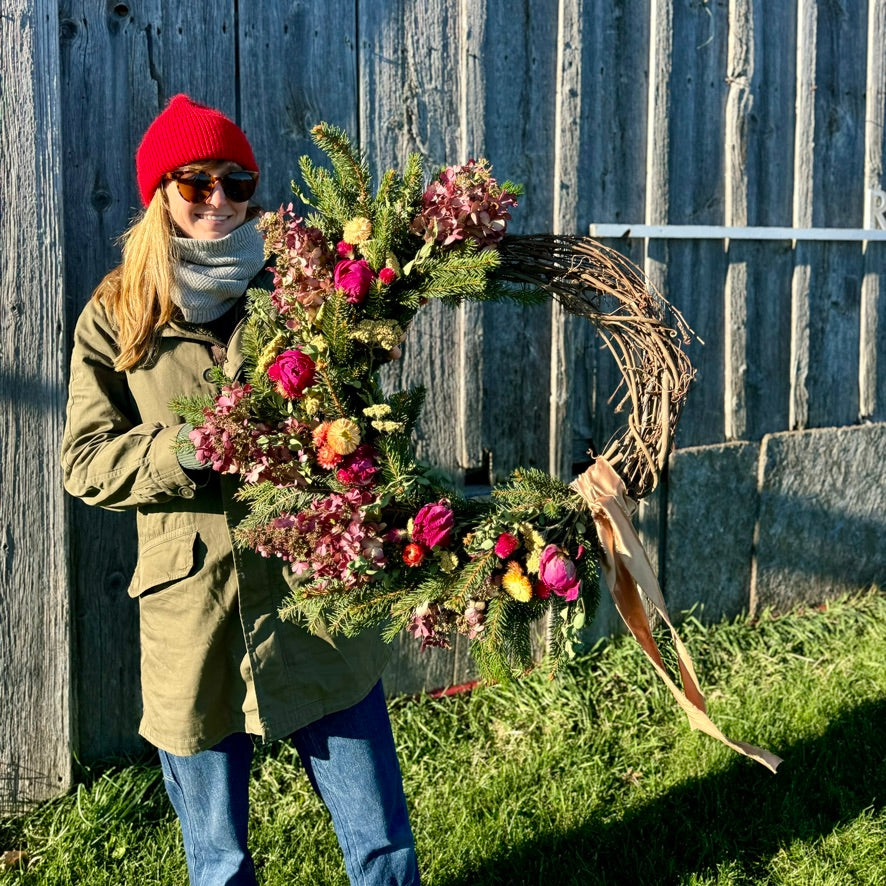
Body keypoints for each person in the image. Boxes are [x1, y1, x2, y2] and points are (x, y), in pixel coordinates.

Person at [61, 94, 420, 886]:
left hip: (312, 595)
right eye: (195, 184)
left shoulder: (302, 292)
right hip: (195, 611)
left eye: (237, 182)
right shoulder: (118, 314)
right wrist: (181, 449)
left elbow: (361, 417)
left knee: (381, 840)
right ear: (161, 193)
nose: (219, 201)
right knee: (218, 860)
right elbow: (83, 461)